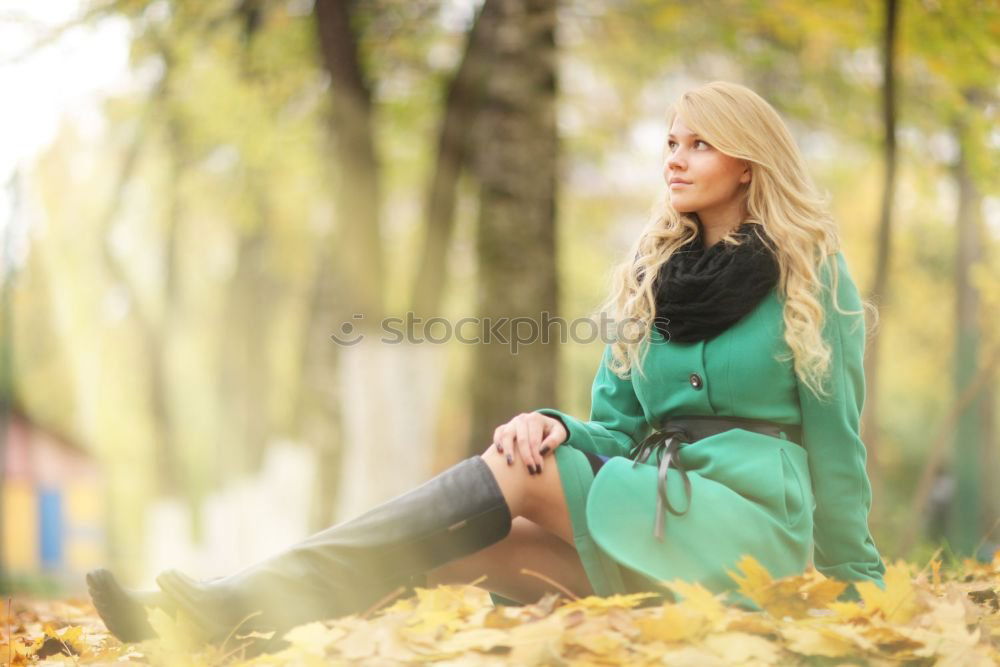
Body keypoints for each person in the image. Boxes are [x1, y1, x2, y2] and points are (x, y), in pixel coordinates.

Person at [86, 80, 887, 649]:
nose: (675, 159)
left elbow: (838, 446)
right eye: (670, 143)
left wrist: (855, 586)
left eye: (699, 143)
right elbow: (613, 428)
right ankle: (241, 627)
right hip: (645, 500)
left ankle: (231, 598)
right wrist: (552, 422)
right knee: (464, 539)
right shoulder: (649, 277)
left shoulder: (813, 275)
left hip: (746, 526)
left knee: (517, 477)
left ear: (747, 162)